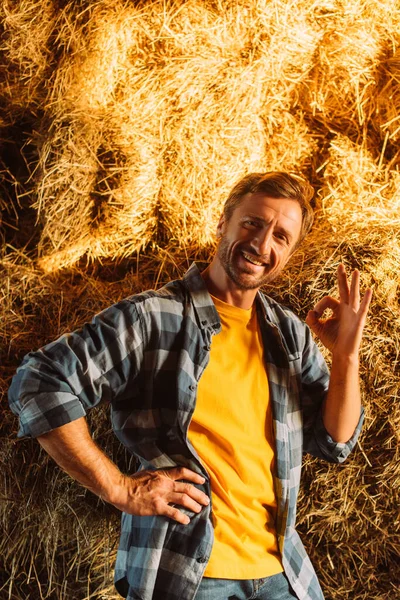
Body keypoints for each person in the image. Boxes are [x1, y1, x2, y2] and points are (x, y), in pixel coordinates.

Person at [9, 172, 372, 600]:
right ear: (223, 223)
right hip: (190, 577)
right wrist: (119, 488)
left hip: (283, 574)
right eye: (252, 223)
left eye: (280, 236)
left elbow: (335, 442)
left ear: (288, 254)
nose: (261, 244)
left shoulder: (287, 334)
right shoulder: (153, 317)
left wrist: (347, 357)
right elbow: (39, 381)